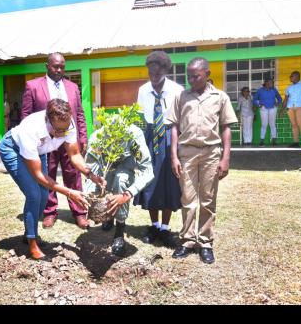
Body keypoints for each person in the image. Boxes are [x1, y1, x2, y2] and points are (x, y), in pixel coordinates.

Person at [0, 98, 105, 260]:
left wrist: (90, 175)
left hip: (38, 152)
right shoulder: (31, 129)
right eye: (58, 130)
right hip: (13, 149)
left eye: (66, 129)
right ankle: (32, 243)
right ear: (47, 119)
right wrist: (70, 193)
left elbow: (75, 154)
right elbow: (39, 176)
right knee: (34, 194)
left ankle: (29, 232)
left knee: (44, 195)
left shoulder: (67, 124)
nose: (63, 134)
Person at [168, 57, 237, 264]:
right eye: (188, 75)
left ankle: (205, 242)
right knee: (188, 200)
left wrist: (225, 158)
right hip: (186, 153)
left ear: (207, 74)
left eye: (195, 76)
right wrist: (174, 156)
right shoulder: (181, 97)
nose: (191, 79)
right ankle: (187, 240)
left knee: (208, 199)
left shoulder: (220, 97)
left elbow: (226, 128)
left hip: (210, 153)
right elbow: (173, 127)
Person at [21, 52, 89, 230]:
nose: (59, 70)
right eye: (55, 66)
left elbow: (79, 114)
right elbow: (26, 115)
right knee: (48, 173)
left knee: (73, 174)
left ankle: (80, 212)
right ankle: (50, 212)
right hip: (45, 142)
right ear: (47, 66)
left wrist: (83, 136)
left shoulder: (73, 87)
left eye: (62, 66)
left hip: (68, 139)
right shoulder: (33, 86)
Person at [132, 51, 183, 248]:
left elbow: (180, 120)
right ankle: (153, 225)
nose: (153, 77)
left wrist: (177, 148)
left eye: (157, 74)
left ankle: (165, 227)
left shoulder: (177, 90)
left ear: (164, 70)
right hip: (150, 136)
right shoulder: (143, 90)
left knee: (169, 181)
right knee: (150, 181)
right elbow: (140, 117)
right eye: (150, 73)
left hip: (170, 136)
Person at [84, 122, 154, 257]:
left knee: (121, 180)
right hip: (105, 166)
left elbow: (147, 170)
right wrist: (91, 195)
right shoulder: (97, 138)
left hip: (126, 165)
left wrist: (127, 194)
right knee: (101, 182)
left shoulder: (133, 136)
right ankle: (107, 217)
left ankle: (120, 230)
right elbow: (90, 168)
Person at [253, 79, 282, 146]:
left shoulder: (274, 89)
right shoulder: (260, 90)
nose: (272, 84)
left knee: (272, 124)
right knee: (264, 125)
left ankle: (274, 141)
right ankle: (262, 141)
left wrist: (278, 102)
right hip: (264, 109)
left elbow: (279, 98)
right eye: (271, 83)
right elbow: (254, 100)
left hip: (273, 108)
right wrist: (259, 104)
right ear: (266, 83)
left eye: (272, 82)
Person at [283, 71, 301, 147]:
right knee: (294, 125)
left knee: (300, 124)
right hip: (290, 107)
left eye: (291, 76)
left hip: (299, 106)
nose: (290, 77)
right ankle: (296, 142)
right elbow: (285, 98)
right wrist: (282, 109)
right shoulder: (289, 87)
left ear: (296, 76)